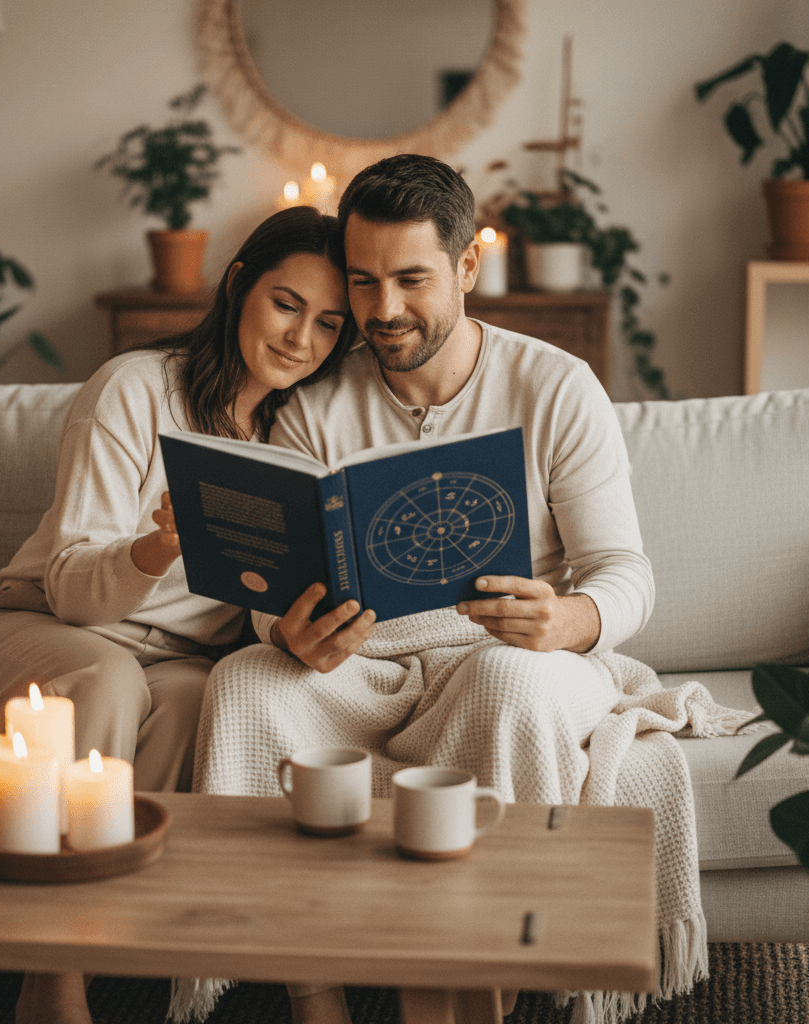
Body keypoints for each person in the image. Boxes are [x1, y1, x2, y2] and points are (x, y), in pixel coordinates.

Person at [190, 156, 745, 1024]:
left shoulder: (554, 385)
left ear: (467, 269)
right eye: (364, 281)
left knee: (505, 684)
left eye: (412, 280)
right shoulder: (315, 403)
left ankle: (479, 989)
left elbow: (625, 573)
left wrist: (571, 618)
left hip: (515, 655)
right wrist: (285, 628)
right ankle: (313, 992)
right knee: (241, 685)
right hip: (366, 665)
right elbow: (275, 587)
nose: (383, 311)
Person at [0, 205, 356, 1024]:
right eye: (286, 304)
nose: (299, 338)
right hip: (40, 629)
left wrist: (296, 626)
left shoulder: (297, 438)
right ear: (239, 283)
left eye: (328, 323)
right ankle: (51, 980)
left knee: (201, 699)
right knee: (108, 678)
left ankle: (141, 953)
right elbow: (66, 583)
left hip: (172, 662)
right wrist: (155, 549)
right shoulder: (135, 388)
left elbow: (250, 614)